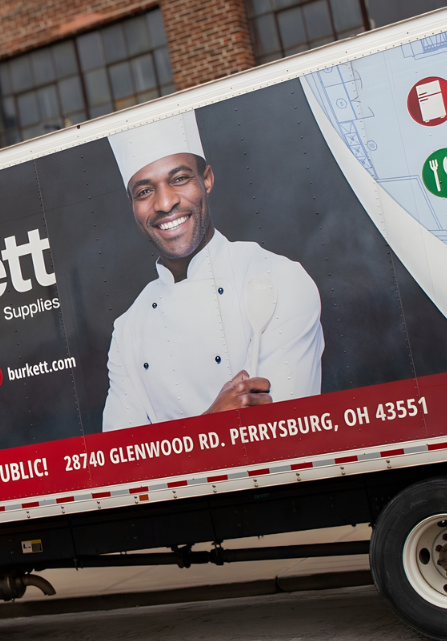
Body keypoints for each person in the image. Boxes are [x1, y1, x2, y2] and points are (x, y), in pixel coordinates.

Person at [101, 111, 324, 430]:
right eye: (144, 191)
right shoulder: (127, 331)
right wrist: (212, 422)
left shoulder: (279, 279)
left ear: (206, 179)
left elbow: (284, 433)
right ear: (133, 206)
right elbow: (124, 460)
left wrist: (169, 446)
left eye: (179, 179)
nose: (164, 203)